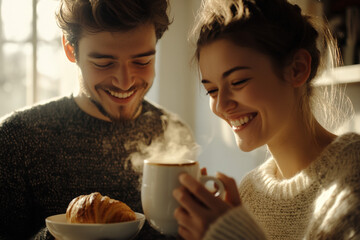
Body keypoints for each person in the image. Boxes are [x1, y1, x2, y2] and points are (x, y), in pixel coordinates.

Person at [0, 0, 196, 239]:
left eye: (142, 61)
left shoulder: (173, 132)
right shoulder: (16, 139)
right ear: (71, 50)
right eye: (104, 63)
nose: (125, 82)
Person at [173, 0, 360, 239]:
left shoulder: (353, 172)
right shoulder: (249, 193)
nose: (221, 105)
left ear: (297, 69)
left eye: (238, 82)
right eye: (212, 91)